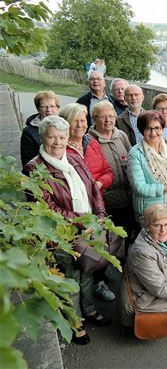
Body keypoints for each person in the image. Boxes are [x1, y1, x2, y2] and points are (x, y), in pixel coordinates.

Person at [24, 116, 110, 345]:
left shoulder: (73, 157)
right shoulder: (34, 168)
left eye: (62, 137)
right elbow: (46, 209)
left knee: (87, 272)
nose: (58, 142)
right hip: (62, 236)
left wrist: (99, 216)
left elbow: (93, 188)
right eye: (52, 136)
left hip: (89, 229)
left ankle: (89, 309)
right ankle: (75, 321)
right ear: (42, 138)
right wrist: (84, 220)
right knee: (70, 277)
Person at [128, 110, 167, 242]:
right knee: (154, 244)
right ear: (141, 130)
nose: (153, 133)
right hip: (152, 211)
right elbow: (139, 187)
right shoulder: (136, 153)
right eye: (148, 129)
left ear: (162, 128)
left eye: (157, 128)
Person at [90, 101, 135, 246]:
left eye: (111, 116)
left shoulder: (121, 135)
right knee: (107, 238)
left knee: (126, 234)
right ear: (94, 118)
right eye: (103, 117)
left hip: (126, 196)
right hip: (105, 199)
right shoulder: (90, 140)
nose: (108, 120)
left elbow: (131, 158)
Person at [60, 103, 113, 193]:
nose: (79, 125)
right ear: (65, 124)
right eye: (75, 121)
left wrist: (99, 184)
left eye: (82, 120)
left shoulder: (93, 143)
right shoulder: (60, 149)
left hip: (97, 200)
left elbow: (108, 172)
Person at [20, 90, 60, 167]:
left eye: (52, 106)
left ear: (57, 108)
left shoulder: (65, 125)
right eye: (44, 107)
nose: (48, 110)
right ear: (38, 109)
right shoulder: (29, 132)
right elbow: (27, 162)